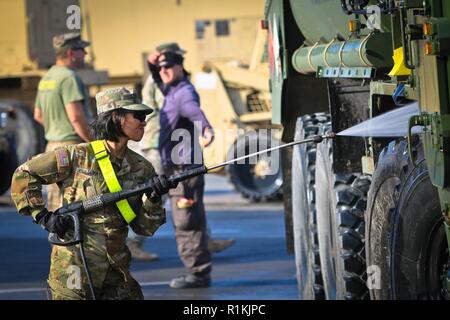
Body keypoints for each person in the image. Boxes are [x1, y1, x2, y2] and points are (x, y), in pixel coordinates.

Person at [10, 87, 175, 300]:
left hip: (115, 272)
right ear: (116, 117)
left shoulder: (142, 167)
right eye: (138, 115)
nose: (144, 121)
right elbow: (24, 174)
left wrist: (154, 198)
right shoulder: (76, 156)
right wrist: (43, 217)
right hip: (74, 268)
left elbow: (144, 228)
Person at [127, 42, 235, 262]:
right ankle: (133, 241)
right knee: (159, 195)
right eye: (163, 64)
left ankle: (204, 240)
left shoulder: (172, 83)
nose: (165, 69)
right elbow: (189, 108)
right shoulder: (166, 83)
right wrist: (205, 127)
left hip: (170, 146)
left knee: (187, 199)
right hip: (159, 145)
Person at [33, 32, 93, 212]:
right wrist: (94, 142)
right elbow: (76, 117)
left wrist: (57, 129)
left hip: (52, 148)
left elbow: (38, 115)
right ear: (71, 53)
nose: (85, 54)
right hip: (72, 148)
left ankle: (59, 241)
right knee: (75, 201)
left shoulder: (46, 79)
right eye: (82, 49)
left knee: (56, 205)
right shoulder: (69, 78)